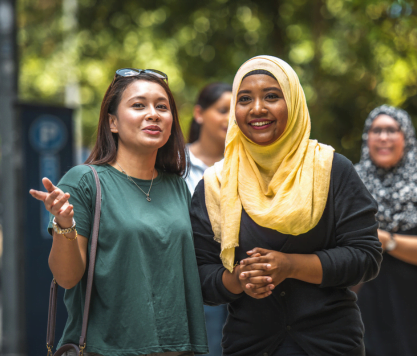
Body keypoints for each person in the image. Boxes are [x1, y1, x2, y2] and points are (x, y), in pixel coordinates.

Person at [190, 56, 383, 356]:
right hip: (250, 344)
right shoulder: (216, 184)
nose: (257, 108)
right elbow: (201, 275)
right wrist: (239, 279)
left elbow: (366, 256)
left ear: (292, 102)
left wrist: (291, 266)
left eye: (271, 96)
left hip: (330, 343)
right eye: (244, 99)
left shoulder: (331, 169)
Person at [30, 68, 208, 356]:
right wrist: (65, 224)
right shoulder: (85, 181)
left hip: (177, 349)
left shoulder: (176, 186)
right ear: (112, 122)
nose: (153, 114)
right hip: (107, 349)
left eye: (162, 107)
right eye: (139, 105)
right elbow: (66, 278)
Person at [354, 105, 417, 356]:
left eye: (391, 130)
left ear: (405, 137)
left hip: (406, 312)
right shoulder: (349, 186)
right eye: (376, 130)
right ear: (367, 138)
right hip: (354, 309)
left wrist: (385, 240)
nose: (383, 137)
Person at [185, 82, 232, 356]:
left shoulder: (247, 165)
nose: (229, 119)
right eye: (222, 110)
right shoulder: (175, 164)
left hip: (242, 280)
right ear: (199, 113)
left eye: (234, 113)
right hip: (194, 282)